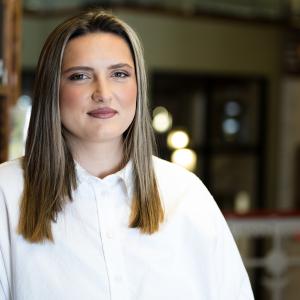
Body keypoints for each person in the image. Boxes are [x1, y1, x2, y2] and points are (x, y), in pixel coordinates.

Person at [0, 9, 254, 300]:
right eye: (80, 76)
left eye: (119, 74)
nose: (103, 93)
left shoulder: (187, 195)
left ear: (138, 86)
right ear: (52, 89)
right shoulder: (6, 193)